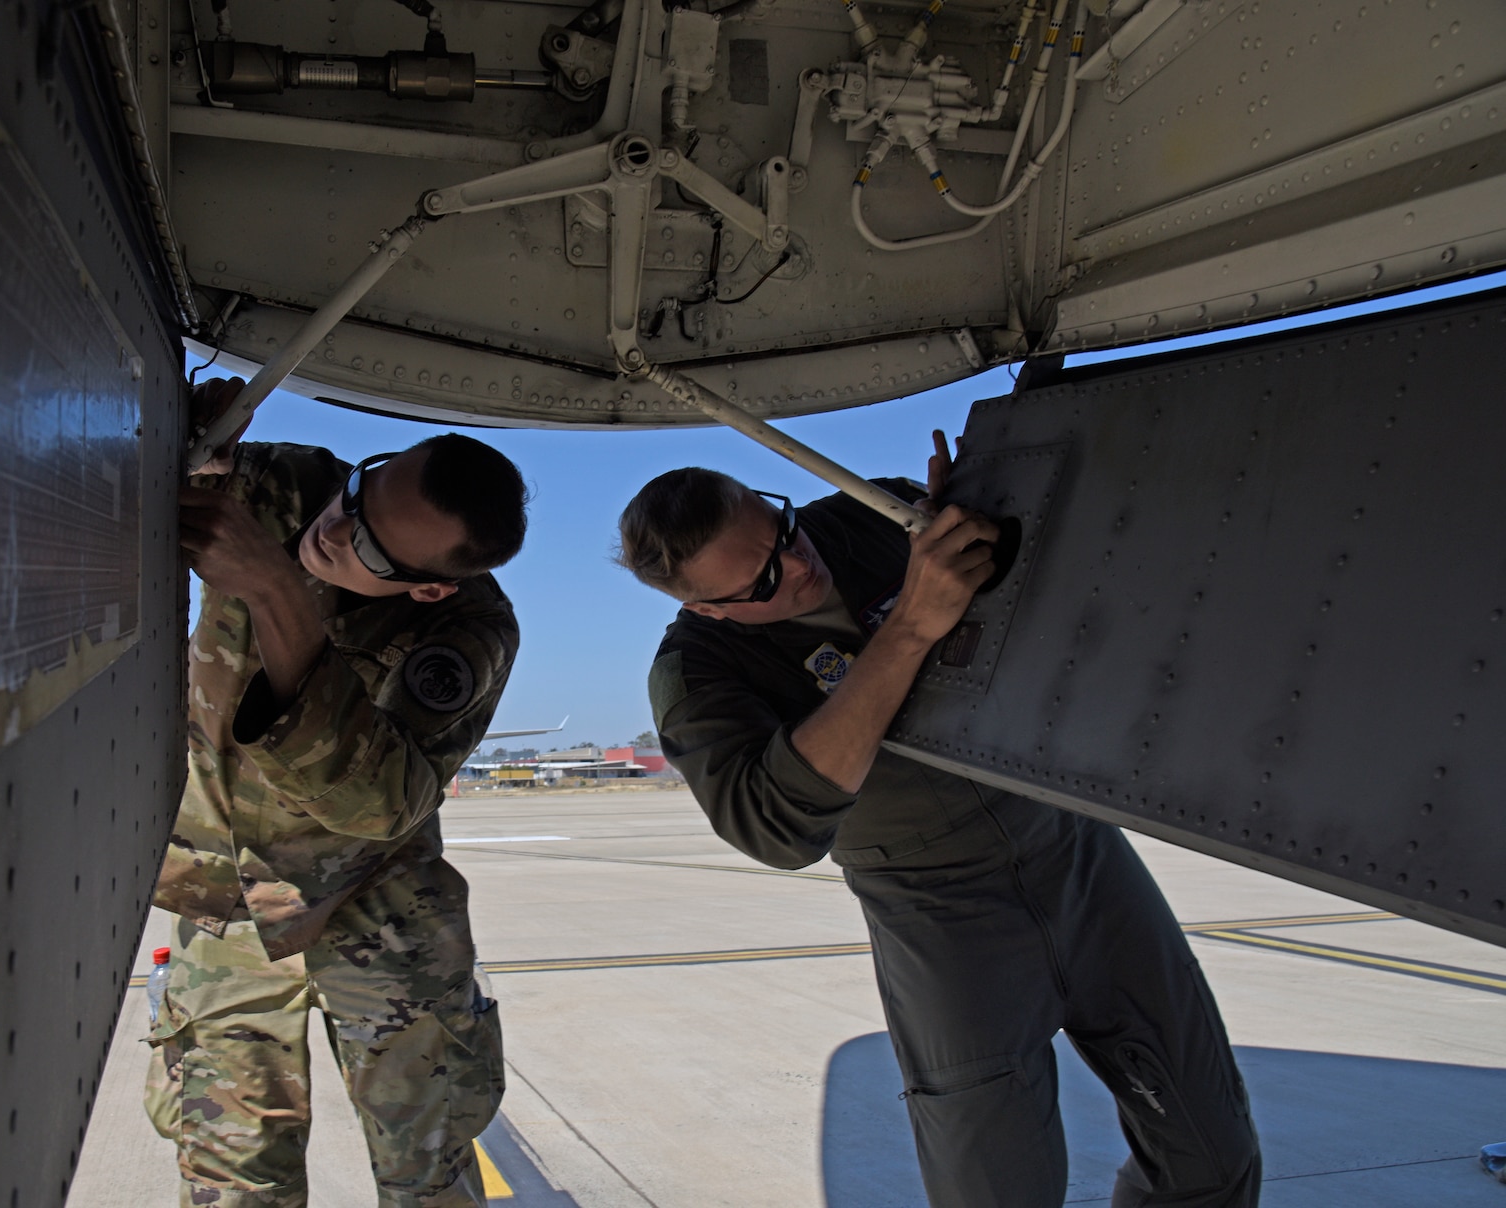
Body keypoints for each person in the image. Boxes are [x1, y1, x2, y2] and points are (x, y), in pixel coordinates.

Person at [616, 434, 1262, 1208]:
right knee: (994, 1185)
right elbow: (772, 828)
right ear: (706, 607)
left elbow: (1052, 568)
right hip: (937, 910)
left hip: (1076, 852)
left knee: (1212, 1149)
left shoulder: (873, 517)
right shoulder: (698, 672)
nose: (798, 566)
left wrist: (997, 507)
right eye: (761, 581)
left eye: (781, 532)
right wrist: (910, 628)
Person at [148, 377, 527, 1208]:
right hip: (226, 900)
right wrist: (179, 422)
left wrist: (277, 591)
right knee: (229, 1174)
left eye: (373, 550)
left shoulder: (466, 634)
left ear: (430, 586)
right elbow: (163, 465)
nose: (333, 533)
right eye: (358, 495)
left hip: (379, 904)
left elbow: (381, 804)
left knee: (426, 1168)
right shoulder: (293, 486)